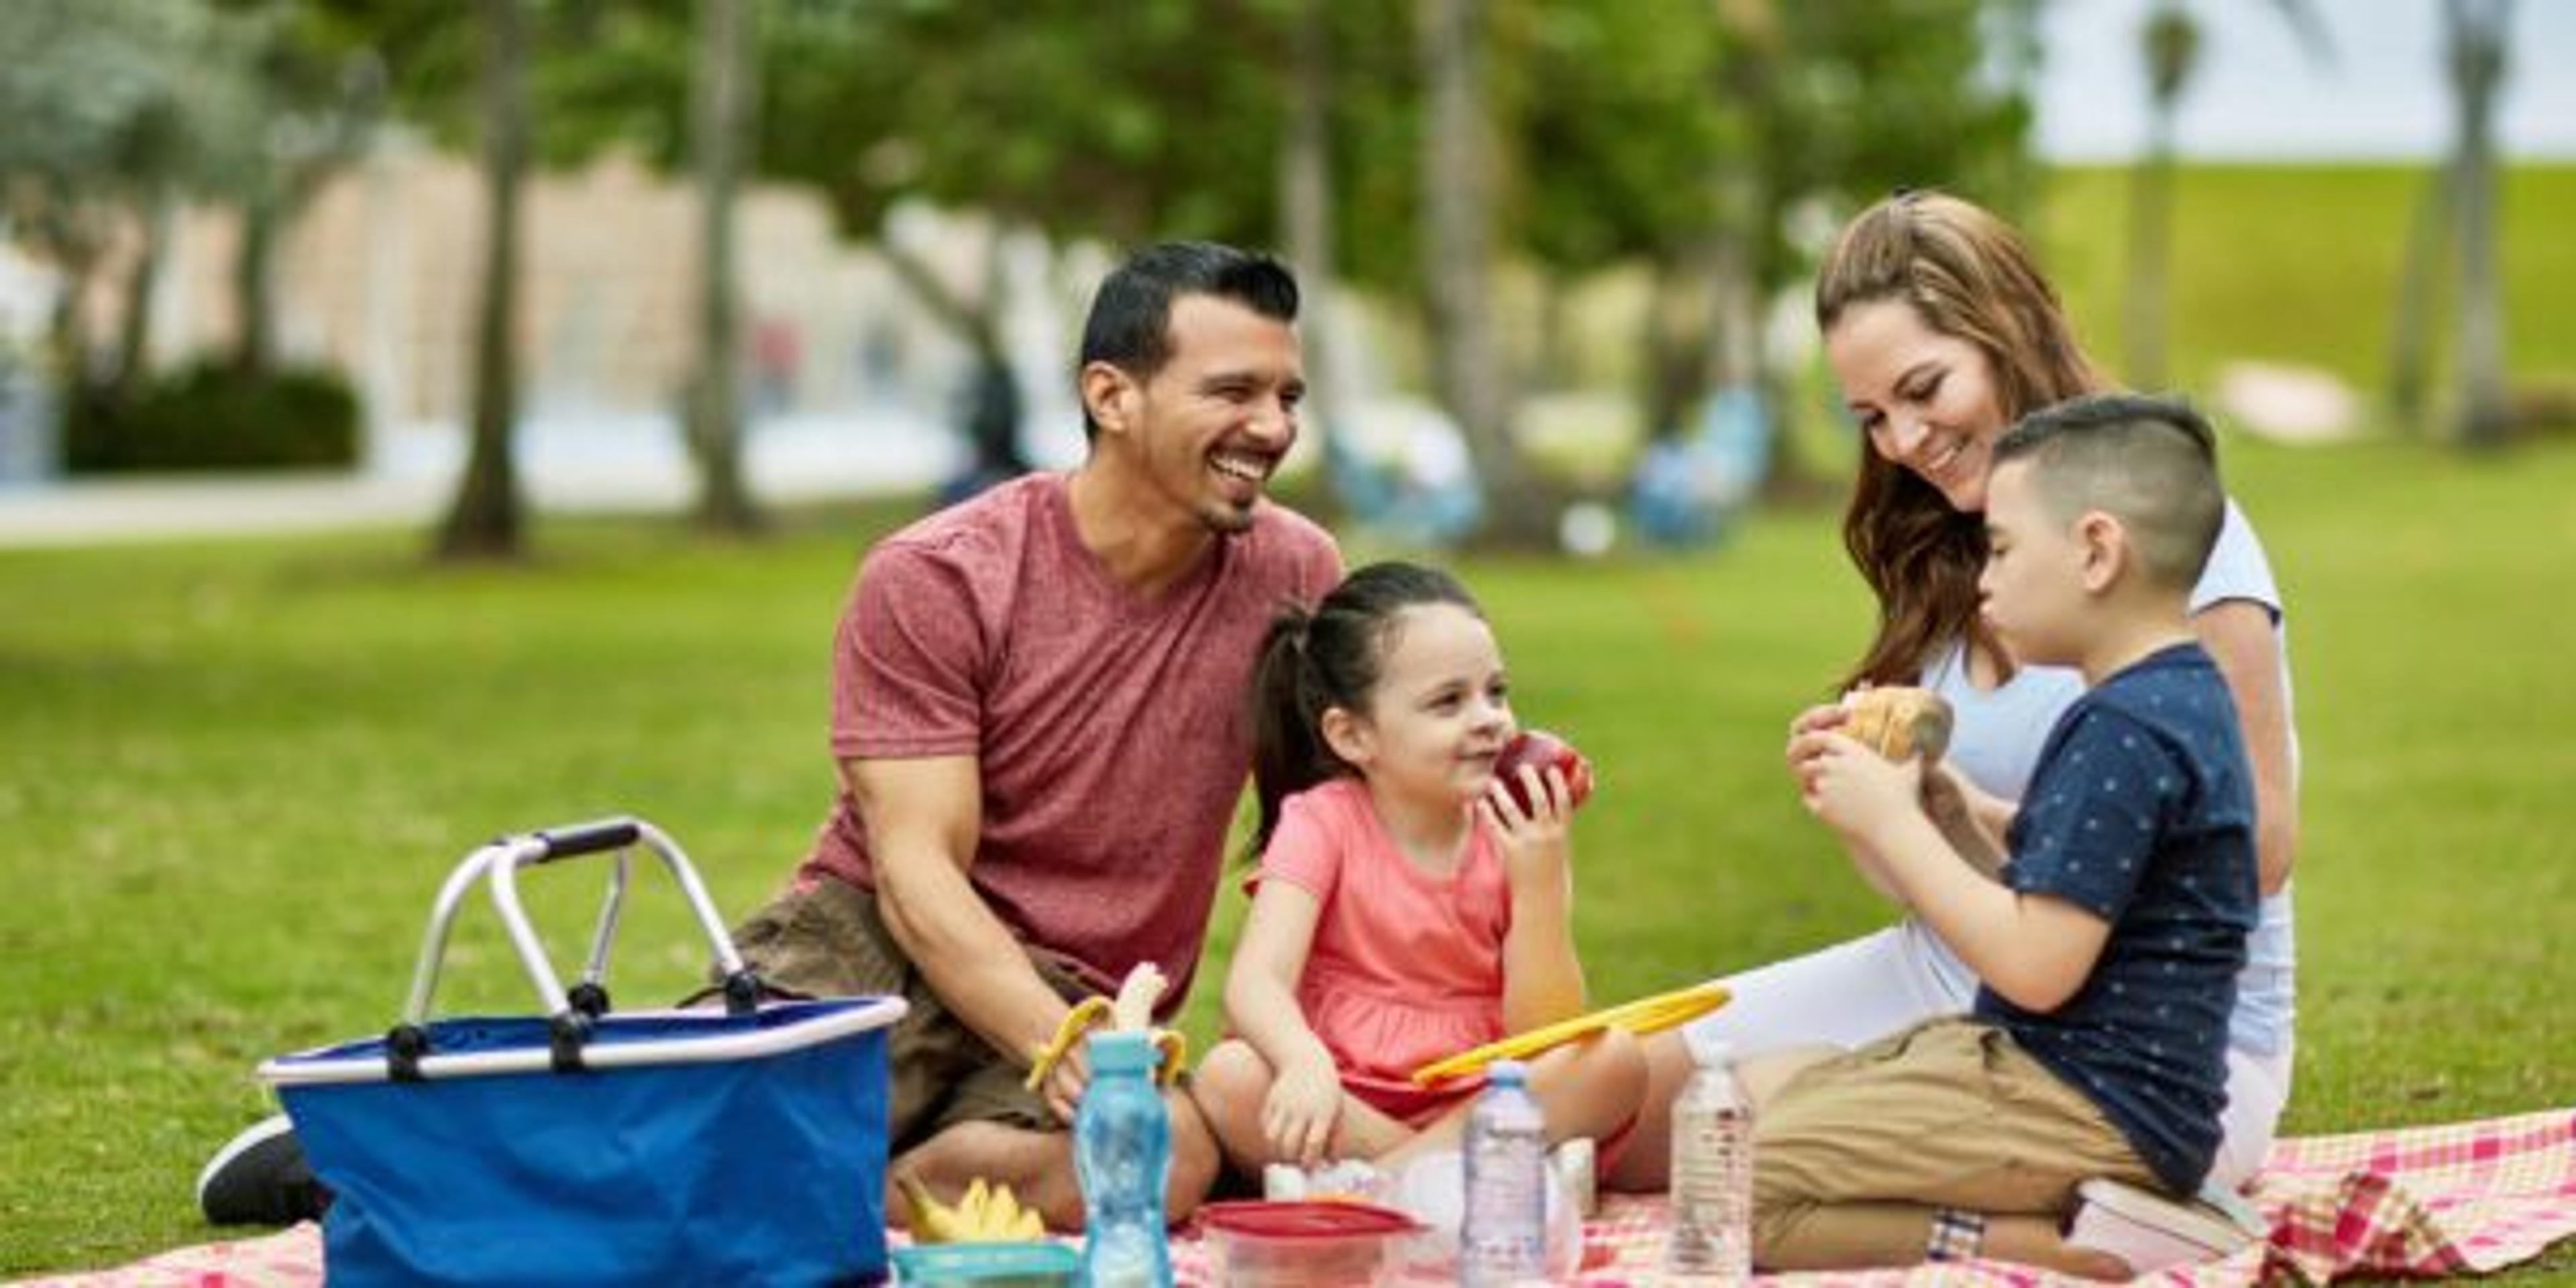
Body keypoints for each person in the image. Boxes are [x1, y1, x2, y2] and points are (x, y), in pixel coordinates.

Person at [196, 241, 1344, 1230]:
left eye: (1287, 397)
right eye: (1234, 391)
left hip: (1095, 988)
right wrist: (1073, 1058)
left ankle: (759, 1188)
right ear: (1113, 394)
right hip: (878, 940)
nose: (1271, 426)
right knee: (664, 1130)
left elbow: (1326, 831)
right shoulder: (941, 577)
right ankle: (372, 1158)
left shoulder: (1295, 575)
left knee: (1172, 1163)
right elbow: (914, 874)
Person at [1610, 191, 2302, 1217]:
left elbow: (2263, 848)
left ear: (2006, 329)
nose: (1902, 441)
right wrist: (1898, 799)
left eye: (1922, 388)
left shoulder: (2167, 544)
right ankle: (1371, 1185)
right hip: (1960, 985)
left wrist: (1933, 831)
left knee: (1740, 1148)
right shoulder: (1962, 550)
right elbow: (1933, 881)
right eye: (1870, 416)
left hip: (2143, 1050)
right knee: (1599, 1087)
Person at [1750, 393, 2259, 1275]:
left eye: (2002, 548)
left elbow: (2034, 965)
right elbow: (2072, 899)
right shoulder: (2170, 698)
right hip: (2080, 1080)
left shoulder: (2126, 730)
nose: (1983, 580)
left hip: (2091, 1104)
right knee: (1762, 1088)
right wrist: (1956, 812)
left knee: (1744, 1185)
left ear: (2097, 551)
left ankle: (2061, 1248)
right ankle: (2101, 1216)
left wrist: (1891, 822)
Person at [1190, 561, 1645, 1187]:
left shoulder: (1516, 831)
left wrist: (1539, 882)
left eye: (1497, 691)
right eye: (1448, 702)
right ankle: (1475, 1181)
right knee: (1229, 1076)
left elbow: (1545, 1033)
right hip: (1345, 1090)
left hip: (1480, 1091)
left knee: (1613, 1059)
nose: (1490, 718)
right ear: (1353, 736)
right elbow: (1256, 982)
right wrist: (1302, 1061)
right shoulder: (1322, 822)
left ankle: (1387, 1186)